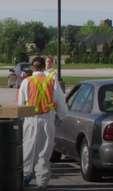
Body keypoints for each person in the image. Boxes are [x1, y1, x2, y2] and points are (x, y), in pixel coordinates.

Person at [18, 56, 67, 190]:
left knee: (28, 149)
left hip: (31, 119)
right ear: (43, 66)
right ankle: (42, 181)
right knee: (44, 151)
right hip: (47, 119)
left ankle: (26, 176)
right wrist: (62, 117)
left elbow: (21, 105)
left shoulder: (26, 82)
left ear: (32, 67)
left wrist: (21, 121)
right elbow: (61, 102)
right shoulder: (52, 81)